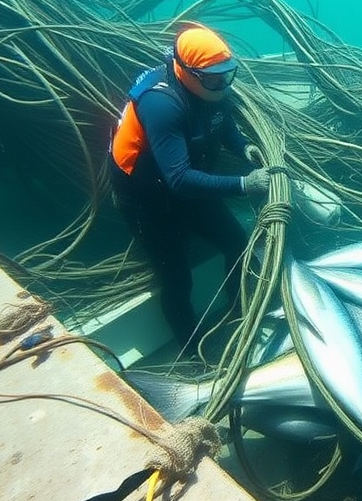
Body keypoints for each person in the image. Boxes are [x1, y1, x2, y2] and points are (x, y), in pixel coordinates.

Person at [108, 24, 269, 355]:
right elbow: (179, 179)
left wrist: (243, 148)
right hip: (148, 200)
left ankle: (240, 313)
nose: (223, 84)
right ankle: (192, 352)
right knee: (178, 280)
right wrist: (244, 184)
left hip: (187, 186)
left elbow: (221, 122)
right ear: (187, 72)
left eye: (228, 74)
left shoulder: (208, 86)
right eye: (213, 78)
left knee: (237, 243)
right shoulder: (161, 104)